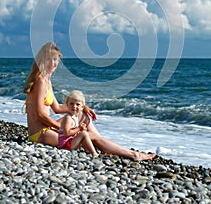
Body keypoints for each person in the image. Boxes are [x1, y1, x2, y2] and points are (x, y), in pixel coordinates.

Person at [24, 42, 156, 161]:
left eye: (55, 59)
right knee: (83, 129)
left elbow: (57, 108)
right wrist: (65, 129)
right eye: (48, 59)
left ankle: (103, 146)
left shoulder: (47, 80)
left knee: (84, 116)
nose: (52, 63)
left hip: (47, 129)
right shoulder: (40, 81)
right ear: (41, 60)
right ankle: (133, 155)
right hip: (40, 135)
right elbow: (41, 115)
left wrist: (82, 107)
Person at [58, 90, 99, 157]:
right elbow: (66, 133)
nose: (74, 106)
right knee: (84, 134)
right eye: (71, 103)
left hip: (70, 142)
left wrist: (81, 129)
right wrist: (79, 128)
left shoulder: (75, 117)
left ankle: (88, 149)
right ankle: (94, 153)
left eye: (77, 104)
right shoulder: (68, 118)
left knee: (84, 133)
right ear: (67, 104)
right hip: (65, 145)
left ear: (82, 107)